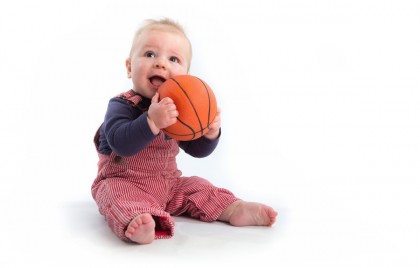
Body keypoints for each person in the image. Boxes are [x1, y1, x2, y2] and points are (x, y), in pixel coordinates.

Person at [91, 18, 278, 244]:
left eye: (173, 59)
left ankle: (232, 208)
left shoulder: (181, 109)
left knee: (198, 186)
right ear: (129, 67)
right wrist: (151, 120)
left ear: (185, 75)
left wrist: (209, 133)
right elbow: (121, 143)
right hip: (123, 180)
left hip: (169, 186)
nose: (160, 63)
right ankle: (138, 219)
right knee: (116, 195)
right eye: (150, 54)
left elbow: (196, 149)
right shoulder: (122, 105)